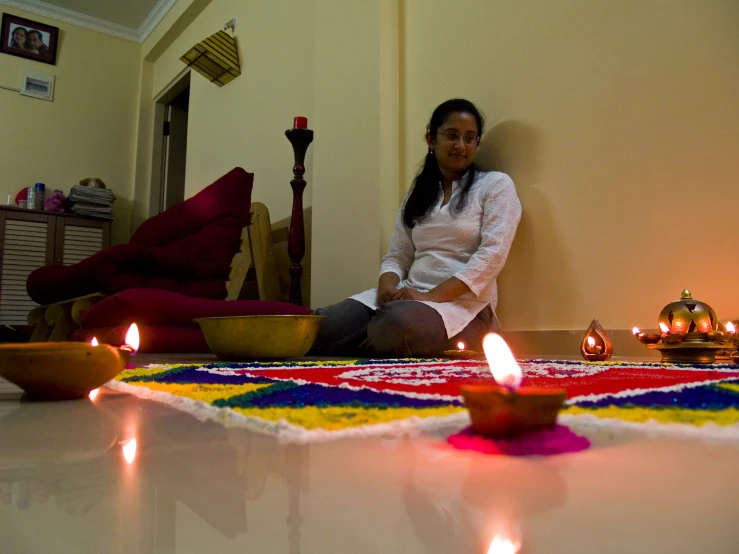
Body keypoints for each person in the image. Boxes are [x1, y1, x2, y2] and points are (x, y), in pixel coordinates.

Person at [310, 98, 522, 358]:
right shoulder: (419, 194)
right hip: (407, 298)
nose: (461, 145)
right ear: (431, 140)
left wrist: (431, 296)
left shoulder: (495, 185)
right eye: (452, 135)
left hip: (466, 308)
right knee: (319, 326)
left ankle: (375, 342)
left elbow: (492, 256)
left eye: (470, 138)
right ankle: (376, 342)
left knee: (397, 326)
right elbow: (397, 255)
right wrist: (386, 285)